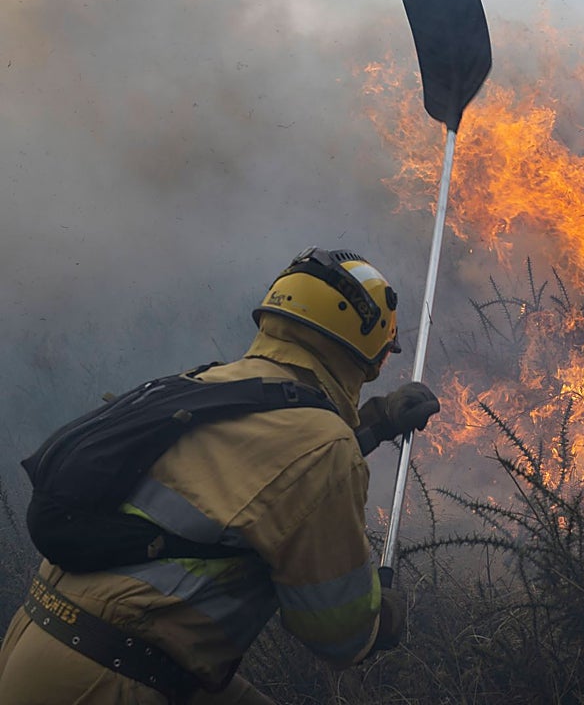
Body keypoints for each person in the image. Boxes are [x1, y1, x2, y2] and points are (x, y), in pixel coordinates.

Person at [0, 247, 441, 703]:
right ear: (364, 349)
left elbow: (265, 472)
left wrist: (376, 423)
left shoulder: (210, 383)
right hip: (106, 680)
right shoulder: (324, 445)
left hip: (44, 641)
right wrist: (382, 616)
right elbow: (338, 635)